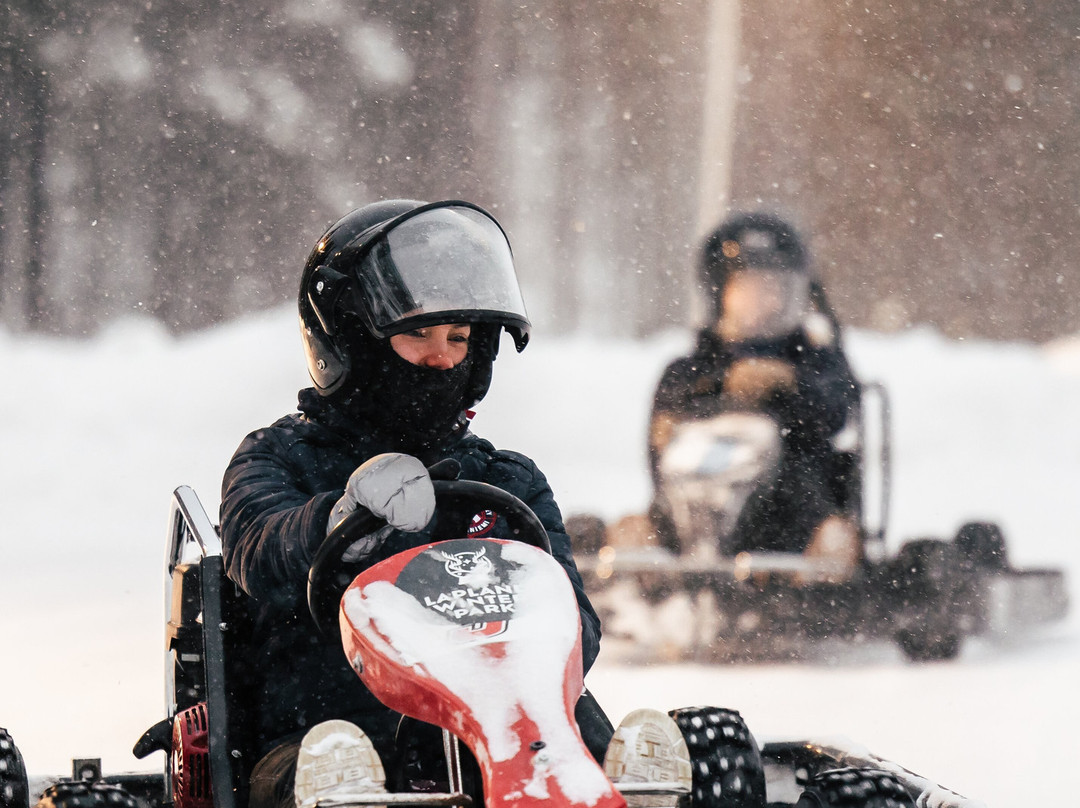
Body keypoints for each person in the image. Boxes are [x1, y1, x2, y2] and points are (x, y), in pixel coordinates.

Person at [218, 199, 607, 808]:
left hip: (505, 729)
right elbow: (257, 551)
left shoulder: (508, 480)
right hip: (327, 729)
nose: (441, 358)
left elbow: (577, 624)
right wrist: (341, 517)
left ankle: (631, 783)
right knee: (331, 769)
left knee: (587, 738)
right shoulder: (279, 457)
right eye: (417, 333)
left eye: (459, 338)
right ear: (352, 341)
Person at [647, 211, 861, 568]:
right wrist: (718, 386)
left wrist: (787, 386)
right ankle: (655, 565)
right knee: (633, 526)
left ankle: (820, 560)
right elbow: (662, 433)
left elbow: (836, 410)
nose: (772, 302)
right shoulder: (690, 370)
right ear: (722, 293)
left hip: (789, 522)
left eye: (780, 288)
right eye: (756, 288)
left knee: (811, 505)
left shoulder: (816, 363)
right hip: (688, 518)